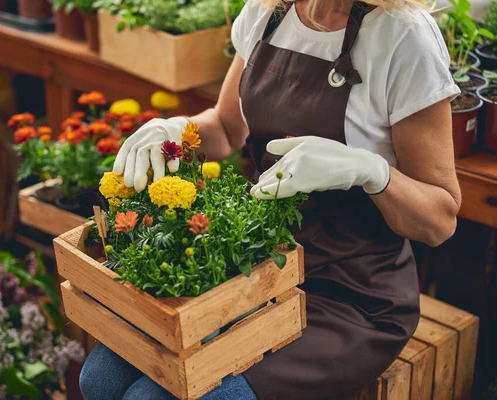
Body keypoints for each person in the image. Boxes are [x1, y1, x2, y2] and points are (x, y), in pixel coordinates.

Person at [80, 0, 462, 398]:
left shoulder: (403, 36)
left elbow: (440, 219)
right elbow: (227, 129)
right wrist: (175, 130)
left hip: (351, 294)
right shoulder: (268, 13)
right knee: (100, 381)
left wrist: (371, 171)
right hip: (253, 262)